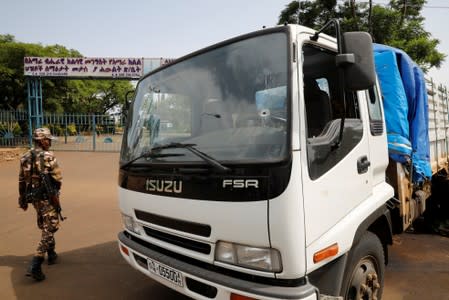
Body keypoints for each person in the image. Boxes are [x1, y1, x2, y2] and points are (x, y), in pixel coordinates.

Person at [18, 127, 63, 281]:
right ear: (42, 140)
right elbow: (58, 179)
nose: (49, 142)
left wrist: (22, 199)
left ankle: (51, 254)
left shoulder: (24, 156)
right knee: (51, 227)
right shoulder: (49, 156)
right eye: (48, 139)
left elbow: (22, 181)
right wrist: (55, 197)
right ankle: (36, 263)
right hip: (47, 197)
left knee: (45, 223)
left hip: (33, 198)